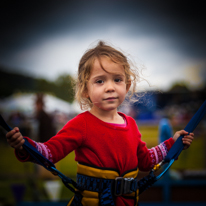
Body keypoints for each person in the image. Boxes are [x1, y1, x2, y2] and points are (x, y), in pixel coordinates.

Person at [6, 41, 194, 206]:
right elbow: (50, 153)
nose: (110, 87)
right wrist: (24, 146)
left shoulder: (130, 124)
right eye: (100, 81)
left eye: (117, 79)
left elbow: (145, 161)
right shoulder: (82, 124)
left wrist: (173, 144)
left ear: (126, 86)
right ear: (85, 89)